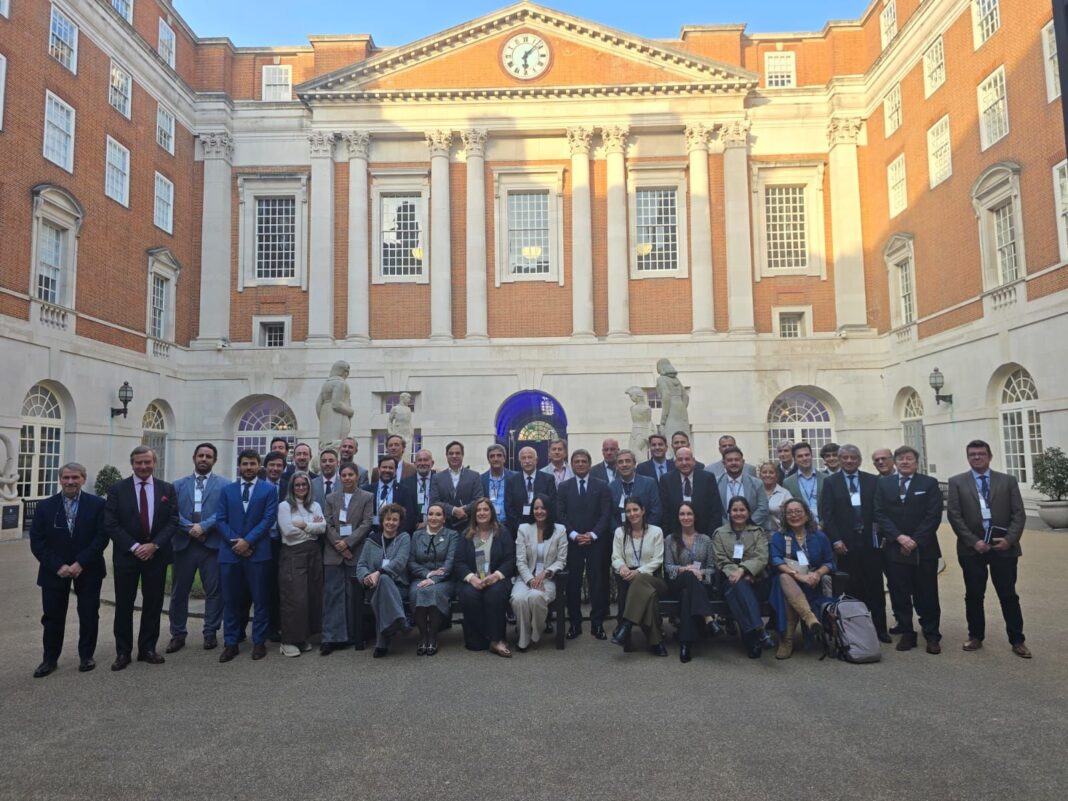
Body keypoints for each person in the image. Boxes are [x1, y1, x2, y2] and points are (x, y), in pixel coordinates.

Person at [947, 440, 1030, 658]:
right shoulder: (956, 482)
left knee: (1008, 595)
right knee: (974, 595)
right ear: (968, 457)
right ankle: (975, 636)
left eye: (981, 454)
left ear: (989, 456)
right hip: (972, 549)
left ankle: (1017, 640)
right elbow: (954, 516)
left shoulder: (1007, 481)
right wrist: (974, 541)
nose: (976, 457)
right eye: (972, 454)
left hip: (1003, 548)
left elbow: (1018, 514)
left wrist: (1009, 540)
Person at [29, 462, 107, 677]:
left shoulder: (98, 504)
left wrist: (81, 562)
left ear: (83, 479)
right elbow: (37, 541)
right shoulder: (45, 506)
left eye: (75, 477)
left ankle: (86, 656)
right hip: (54, 570)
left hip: (88, 568)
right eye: (66, 478)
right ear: (60, 480)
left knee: (89, 614)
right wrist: (58, 566)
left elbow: (101, 537)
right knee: (52, 616)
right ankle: (49, 659)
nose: (70, 482)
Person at [104, 446, 178, 671]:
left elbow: (173, 520)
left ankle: (147, 648)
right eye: (139, 462)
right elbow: (111, 523)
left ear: (154, 463)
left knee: (153, 604)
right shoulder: (117, 489)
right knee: (124, 604)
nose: (143, 466)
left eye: (147, 462)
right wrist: (136, 546)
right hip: (127, 556)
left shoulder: (167, 489)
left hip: (156, 555)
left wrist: (154, 545)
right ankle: (123, 652)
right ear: (132, 463)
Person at [874, 446, 944, 654]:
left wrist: (915, 540)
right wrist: (899, 537)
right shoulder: (884, 484)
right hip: (895, 547)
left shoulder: (929, 483)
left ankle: (931, 635)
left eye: (909, 459)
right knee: (899, 592)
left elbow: (933, 515)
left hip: (924, 549)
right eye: (901, 459)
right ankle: (907, 633)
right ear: (895, 462)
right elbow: (880, 513)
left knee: (927, 593)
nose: (905, 462)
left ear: (917, 462)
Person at [818, 444, 890, 642]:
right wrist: (836, 540)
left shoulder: (872, 481)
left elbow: (879, 511)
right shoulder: (831, 482)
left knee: (875, 586)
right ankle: (854, 628)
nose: (849, 461)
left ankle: (880, 628)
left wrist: (881, 537)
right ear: (840, 460)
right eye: (845, 458)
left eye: (853, 458)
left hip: (870, 541)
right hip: (845, 544)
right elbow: (828, 514)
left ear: (859, 460)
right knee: (851, 586)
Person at [216, 449, 279, 662]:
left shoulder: (269, 490)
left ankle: (259, 642)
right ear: (239, 466)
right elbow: (220, 520)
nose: (249, 467)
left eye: (252, 463)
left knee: (260, 600)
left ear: (259, 465)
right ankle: (231, 642)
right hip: (230, 553)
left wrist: (248, 541)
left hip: (258, 553)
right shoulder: (227, 490)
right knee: (231, 601)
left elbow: (268, 519)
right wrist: (237, 542)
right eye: (245, 464)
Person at [168, 443, 226, 653]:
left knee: (214, 592)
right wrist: (189, 528)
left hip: (210, 546)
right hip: (184, 545)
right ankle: (178, 634)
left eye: (208, 456)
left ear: (214, 460)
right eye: (200, 455)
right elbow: (173, 513)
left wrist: (203, 527)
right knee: (179, 593)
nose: (204, 459)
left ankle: (210, 632)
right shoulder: (178, 485)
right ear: (194, 458)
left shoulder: (224, 486)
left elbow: (222, 512)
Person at [769, 497, 835, 660]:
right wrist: (799, 576)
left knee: (789, 591)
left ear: (806, 515)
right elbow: (776, 560)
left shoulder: (819, 536)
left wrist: (817, 574)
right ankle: (809, 618)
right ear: (785, 517)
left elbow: (830, 562)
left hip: (814, 582)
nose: (794, 515)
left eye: (798, 511)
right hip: (790, 579)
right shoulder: (780, 536)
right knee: (784, 578)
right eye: (789, 512)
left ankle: (787, 640)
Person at [557, 449, 612, 640]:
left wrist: (593, 534)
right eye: (577, 461)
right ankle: (575, 623)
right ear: (572, 464)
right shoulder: (564, 487)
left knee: (597, 583)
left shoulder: (602, 485)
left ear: (589, 464)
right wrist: (573, 534)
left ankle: (597, 623)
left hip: (596, 542)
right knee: (573, 584)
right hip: (573, 543)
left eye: (583, 461)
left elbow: (606, 514)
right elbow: (560, 514)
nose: (580, 464)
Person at [712, 496, 774, 659]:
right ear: (729, 512)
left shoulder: (758, 532)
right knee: (737, 587)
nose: (738, 513)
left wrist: (744, 571)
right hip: (729, 580)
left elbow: (762, 557)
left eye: (742, 510)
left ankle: (753, 639)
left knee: (737, 593)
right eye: (734, 510)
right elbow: (721, 560)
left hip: (757, 581)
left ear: (748, 512)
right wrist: (737, 573)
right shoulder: (720, 533)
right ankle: (759, 630)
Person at [321, 463, 373, 654]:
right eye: (344, 475)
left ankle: (353, 635)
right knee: (332, 596)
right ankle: (331, 638)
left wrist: (349, 543)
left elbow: (367, 523)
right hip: (333, 553)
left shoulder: (367, 497)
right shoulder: (331, 498)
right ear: (340, 477)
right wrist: (340, 545)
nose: (348, 478)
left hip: (356, 552)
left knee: (354, 597)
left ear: (357, 476)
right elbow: (326, 523)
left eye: (351, 474)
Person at [455, 499, 516, 657]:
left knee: (494, 594)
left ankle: (496, 640)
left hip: (497, 578)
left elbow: (510, 559)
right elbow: (459, 562)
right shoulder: (466, 534)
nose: (482, 513)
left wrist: (496, 576)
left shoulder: (502, 532)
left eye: (485, 510)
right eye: (478, 510)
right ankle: (481, 637)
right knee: (469, 594)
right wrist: (472, 578)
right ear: (474, 514)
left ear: (492, 512)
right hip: (474, 579)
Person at [610, 497, 668, 656]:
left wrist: (638, 572)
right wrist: (622, 567)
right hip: (628, 576)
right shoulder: (620, 532)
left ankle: (626, 624)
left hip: (653, 578)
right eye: (628, 511)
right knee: (650, 597)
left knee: (640, 579)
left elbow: (658, 560)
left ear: (643, 511)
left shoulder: (656, 531)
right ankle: (656, 642)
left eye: (635, 509)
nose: (632, 514)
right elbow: (616, 557)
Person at [276, 471, 325, 657]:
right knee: (295, 599)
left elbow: (322, 528)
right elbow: (288, 531)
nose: (301, 488)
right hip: (293, 554)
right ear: (291, 487)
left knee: (311, 597)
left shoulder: (315, 505)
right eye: (297, 485)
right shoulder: (284, 506)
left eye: (304, 485)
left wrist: (304, 525)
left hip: (313, 554)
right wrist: (311, 529)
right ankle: (288, 640)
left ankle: (302, 638)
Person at [663, 502, 720, 663]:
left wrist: (701, 573)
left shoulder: (706, 540)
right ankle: (708, 618)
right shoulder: (671, 539)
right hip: (677, 582)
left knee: (688, 593)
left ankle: (685, 643)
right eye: (682, 514)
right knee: (688, 576)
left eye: (689, 514)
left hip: (699, 585)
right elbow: (668, 567)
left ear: (695, 517)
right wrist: (685, 569)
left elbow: (711, 568)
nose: (686, 517)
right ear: (678, 517)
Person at [511, 494, 567, 651]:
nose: (539, 511)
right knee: (518, 598)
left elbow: (561, 561)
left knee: (535, 597)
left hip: (548, 579)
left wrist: (545, 573)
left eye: (543, 508)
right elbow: (520, 561)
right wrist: (530, 580)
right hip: (525, 577)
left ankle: (537, 630)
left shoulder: (559, 530)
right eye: (536, 508)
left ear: (549, 510)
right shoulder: (524, 529)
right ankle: (523, 637)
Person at [355, 503, 411, 658]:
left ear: (399, 522)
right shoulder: (371, 540)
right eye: (387, 519)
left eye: (395, 520)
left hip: (399, 588)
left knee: (385, 580)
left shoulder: (404, 538)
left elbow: (400, 562)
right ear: (382, 520)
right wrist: (366, 577)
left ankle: (382, 642)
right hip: (373, 587)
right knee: (382, 584)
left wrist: (378, 573)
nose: (391, 523)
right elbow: (361, 565)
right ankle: (400, 621)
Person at [408, 502, 459, 656]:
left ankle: (432, 636)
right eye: (430, 514)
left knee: (433, 591)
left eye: (438, 514)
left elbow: (450, 563)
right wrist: (428, 575)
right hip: (420, 578)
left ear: (444, 518)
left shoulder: (452, 535)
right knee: (418, 592)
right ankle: (423, 635)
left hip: (444, 580)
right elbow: (411, 562)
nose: (434, 517)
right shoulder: (417, 535)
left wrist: (434, 579)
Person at [659, 447, 723, 538]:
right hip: (675, 534)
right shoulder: (666, 480)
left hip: (704, 533)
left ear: (693, 461)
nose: (684, 463)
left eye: (687, 459)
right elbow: (665, 511)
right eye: (680, 460)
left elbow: (715, 509)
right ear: (675, 462)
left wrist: (711, 536)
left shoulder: (707, 478)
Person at [429, 440, 484, 534]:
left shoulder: (474, 476)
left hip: (468, 527)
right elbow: (434, 501)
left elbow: (479, 499)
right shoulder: (437, 478)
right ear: (446, 456)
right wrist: (453, 510)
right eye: (451, 453)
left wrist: (464, 510)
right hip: (444, 527)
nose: (454, 456)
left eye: (457, 453)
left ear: (462, 455)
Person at [715, 446, 769, 529]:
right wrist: (728, 527)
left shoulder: (757, 483)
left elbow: (763, 508)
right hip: (724, 532)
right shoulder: (715, 483)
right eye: (729, 460)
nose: (733, 463)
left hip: (751, 530)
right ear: (724, 463)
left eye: (737, 460)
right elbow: (714, 510)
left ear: (743, 462)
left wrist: (747, 525)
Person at [505, 445, 556, 529]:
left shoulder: (548, 479)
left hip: (543, 527)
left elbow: (552, 504)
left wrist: (544, 525)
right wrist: (520, 527)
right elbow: (509, 507)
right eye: (523, 458)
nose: (527, 461)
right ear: (520, 461)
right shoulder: (512, 481)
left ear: (536, 460)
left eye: (530, 457)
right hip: (518, 528)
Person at [365, 455, 418, 536]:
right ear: (379, 469)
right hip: (372, 536)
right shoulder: (367, 490)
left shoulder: (404, 491)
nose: (387, 470)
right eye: (384, 467)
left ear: (395, 470)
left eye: (390, 468)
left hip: (396, 536)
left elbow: (409, 518)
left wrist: (395, 535)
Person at [610, 449, 663, 527]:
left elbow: (656, 510)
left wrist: (645, 531)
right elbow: (610, 515)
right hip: (621, 535)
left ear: (634, 464)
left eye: (628, 461)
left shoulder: (649, 483)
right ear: (617, 466)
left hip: (647, 532)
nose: (624, 465)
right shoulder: (611, 487)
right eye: (620, 462)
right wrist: (620, 532)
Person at [783, 442, 826, 525]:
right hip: (800, 527)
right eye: (800, 456)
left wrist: (822, 525)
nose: (804, 458)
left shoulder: (826, 479)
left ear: (811, 456)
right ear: (794, 459)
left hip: (825, 528)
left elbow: (830, 507)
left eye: (807, 455)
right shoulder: (788, 482)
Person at [655, 357, 690, 445]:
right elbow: (686, 396)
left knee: (670, 436)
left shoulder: (661, 379)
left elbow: (666, 396)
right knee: (683, 434)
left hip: (671, 408)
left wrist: (663, 420)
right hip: (681, 408)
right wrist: (682, 407)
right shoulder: (676, 380)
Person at [481, 444, 515, 530]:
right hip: (487, 526)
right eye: (492, 456)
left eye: (499, 455)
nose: (495, 459)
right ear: (488, 460)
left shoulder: (515, 478)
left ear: (504, 458)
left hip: (510, 526)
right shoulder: (480, 479)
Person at [400, 448, 436, 524]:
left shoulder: (439, 480)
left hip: (436, 525)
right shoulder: (405, 483)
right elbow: (405, 508)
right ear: (415, 463)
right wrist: (416, 524)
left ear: (432, 463)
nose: (422, 463)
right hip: (414, 527)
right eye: (419, 460)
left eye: (426, 460)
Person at [759, 460, 792, 532]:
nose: (767, 475)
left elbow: (791, 514)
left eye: (771, 472)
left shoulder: (784, 494)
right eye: (764, 472)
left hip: (779, 533)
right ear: (760, 475)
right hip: (758, 535)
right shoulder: (754, 492)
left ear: (776, 476)